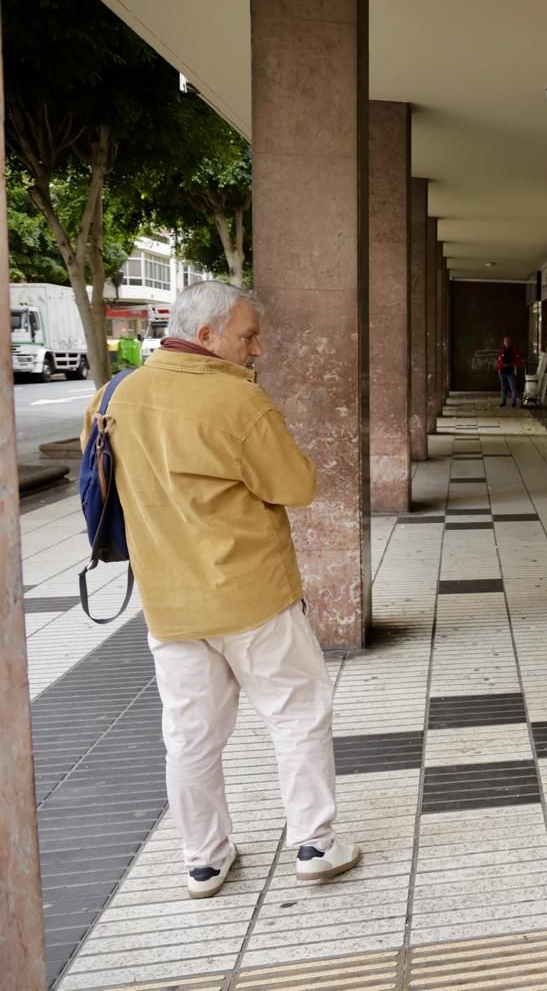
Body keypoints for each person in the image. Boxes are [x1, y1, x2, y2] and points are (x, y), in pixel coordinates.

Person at [82, 282, 360, 899]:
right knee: (296, 714)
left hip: (168, 602)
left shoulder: (114, 396)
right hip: (252, 595)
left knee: (189, 735)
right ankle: (314, 843)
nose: (257, 349)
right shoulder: (237, 403)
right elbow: (297, 485)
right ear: (205, 335)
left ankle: (204, 859)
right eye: (248, 335)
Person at [496, 335, 522, 407]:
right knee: (503, 388)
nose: (507, 343)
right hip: (502, 372)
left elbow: (518, 361)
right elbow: (499, 361)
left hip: (510, 372)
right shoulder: (502, 351)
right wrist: (499, 369)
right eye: (505, 341)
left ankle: (514, 402)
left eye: (508, 341)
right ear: (504, 343)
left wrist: (510, 364)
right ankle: (503, 401)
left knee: (513, 388)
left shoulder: (514, 350)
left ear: (510, 342)